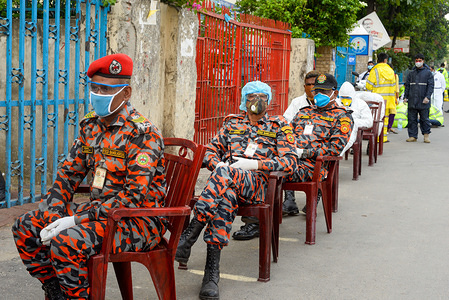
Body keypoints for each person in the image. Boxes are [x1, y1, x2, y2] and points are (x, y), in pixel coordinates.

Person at [11, 54, 166, 300]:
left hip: (137, 221)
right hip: (99, 215)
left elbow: (133, 197)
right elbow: (68, 173)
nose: (98, 94)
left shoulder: (142, 134)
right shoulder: (90, 126)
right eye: (94, 87)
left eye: (106, 88)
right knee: (26, 226)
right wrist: (55, 208)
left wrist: (76, 219)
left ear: (126, 93)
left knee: (67, 240)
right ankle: (56, 291)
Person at [174, 81, 298, 300]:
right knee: (225, 199)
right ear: (244, 100)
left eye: (262, 96)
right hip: (227, 185)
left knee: (225, 177)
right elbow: (209, 152)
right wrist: (217, 164)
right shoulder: (232, 124)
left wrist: (256, 165)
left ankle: (190, 234)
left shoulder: (279, 125)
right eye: (252, 97)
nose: (257, 101)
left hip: (258, 183)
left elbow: (290, 162)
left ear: (269, 100)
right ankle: (211, 275)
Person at [285, 74, 353, 215]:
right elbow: (287, 136)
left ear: (335, 92)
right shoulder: (303, 112)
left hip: (314, 166)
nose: (319, 95)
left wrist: (303, 153)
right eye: (317, 91)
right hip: (290, 160)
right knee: (262, 169)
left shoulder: (342, 116)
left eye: (325, 91)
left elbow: (334, 149)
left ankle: (257, 222)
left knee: (268, 173)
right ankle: (260, 220)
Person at [282, 70, 319, 215]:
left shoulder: (332, 107)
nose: (312, 88)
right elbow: (286, 122)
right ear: (304, 87)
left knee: (320, 165)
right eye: (308, 85)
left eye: (315, 84)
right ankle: (289, 200)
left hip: (316, 152)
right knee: (286, 161)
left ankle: (314, 201)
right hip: (297, 147)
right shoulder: (297, 103)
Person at [404, 53, 434, 143]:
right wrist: (406, 97)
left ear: (423, 61)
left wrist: (427, 97)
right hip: (412, 100)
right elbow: (408, 86)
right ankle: (413, 136)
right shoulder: (411, 73)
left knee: (424, 119)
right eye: (416, 61)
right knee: (411, 119)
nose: (418, 62)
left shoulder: (428, 73)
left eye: (420, 61)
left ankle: (426, 135)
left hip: (423, 100)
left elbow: (430, 86)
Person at [366, 53, 397, 140]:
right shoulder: (391, 71)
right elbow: (394, 86)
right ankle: (383, 138)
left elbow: (369, 86)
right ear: (385, 60)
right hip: (388, 100)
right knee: (385, 119)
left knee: (377, 120)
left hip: (377, 100)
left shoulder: (375, 71)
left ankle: (376, 139)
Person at [338, 82, 373, 155]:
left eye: (347, 98)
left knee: (345, 141)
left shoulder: (360, 104)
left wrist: (353, 121)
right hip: (337, 128)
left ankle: (336, 155)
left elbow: (369, 122)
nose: (345, 101)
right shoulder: (337, 103)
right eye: (343, 98)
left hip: (353, 130)